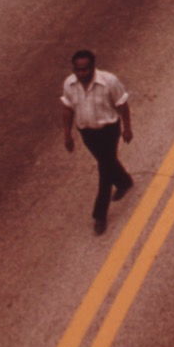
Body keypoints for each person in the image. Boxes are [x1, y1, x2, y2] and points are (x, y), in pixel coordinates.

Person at [60, 49, 134, 235]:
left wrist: (127, 128)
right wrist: (67, 134)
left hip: (109, 130)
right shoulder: (69, 84)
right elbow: (68, 108)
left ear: (93, 67)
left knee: (104, 167)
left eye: (85, 69)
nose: (82, 73)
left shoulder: (109, 81)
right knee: (106, 162)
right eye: (78, 70)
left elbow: (122, 105)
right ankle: (124, 181)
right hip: (86, 132)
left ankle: (99, 215)